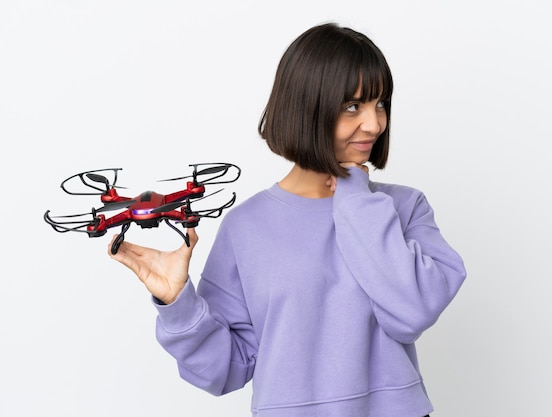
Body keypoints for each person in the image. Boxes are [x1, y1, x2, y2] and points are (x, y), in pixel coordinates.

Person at [110, 22, 466, 417]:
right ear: (306, 107)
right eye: (353, 106)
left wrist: (353, 194)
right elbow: (224, 371)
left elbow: (412, 311)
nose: (375, 124)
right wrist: (177, 302)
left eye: (380, 104)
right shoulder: (247, 227)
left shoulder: (405, 208)